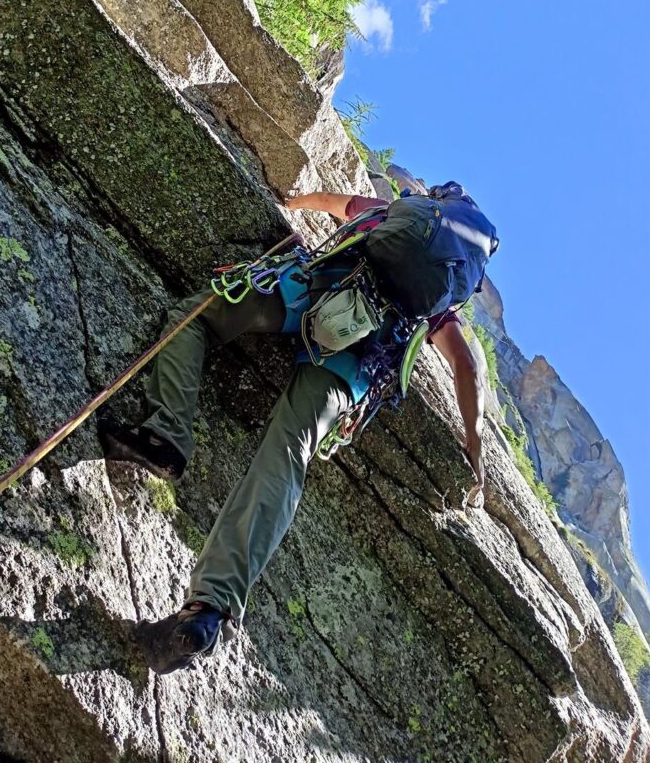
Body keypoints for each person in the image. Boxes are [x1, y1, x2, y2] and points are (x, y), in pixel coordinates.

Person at [99, 184, 490, 675]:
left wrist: (290, 200)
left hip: (310, 292)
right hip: (353, 362)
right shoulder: (439, 299)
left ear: (433, 207)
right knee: (287, 455)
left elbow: (329, 202)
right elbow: (465, 366)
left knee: (195, 320)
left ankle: (166, 436)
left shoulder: (388, 215)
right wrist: (474, 447)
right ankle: (207, 612)